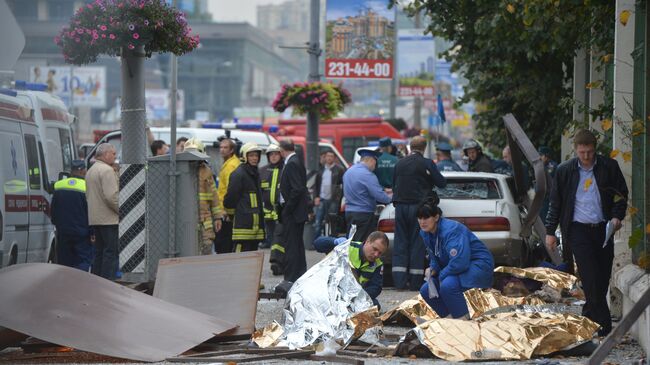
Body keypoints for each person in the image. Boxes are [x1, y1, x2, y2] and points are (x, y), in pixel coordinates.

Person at [545, 129, 628, 337]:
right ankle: (603, 325)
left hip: (603, 228)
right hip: (577, 230)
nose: (586, 157)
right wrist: (550, 231)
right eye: (582, 152)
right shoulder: (565, 171)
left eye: (589, 152)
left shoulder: (609, 167)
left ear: (595, 150)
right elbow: (556, 202)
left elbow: (621, 195)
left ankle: (588, 315)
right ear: (576, 150)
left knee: (601, 277)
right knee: (590, 276)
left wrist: (617, 217)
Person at [417, 197, 494, 318]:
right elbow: (434, 256)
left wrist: (441, 275)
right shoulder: (424, 232)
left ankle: (463, 320)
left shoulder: (451, 230)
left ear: (436, 217)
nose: (422, 222)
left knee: (447, 285)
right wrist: (433, 269)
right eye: (419, 218)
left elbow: (460, 262)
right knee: (426, 290)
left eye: (426, 217)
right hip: (455, 267)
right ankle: (450, 320)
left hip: (477, 264)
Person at [392, 136, 446, 290]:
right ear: (424, 148)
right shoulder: (427, 163)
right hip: (419, 208)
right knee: (417, 243)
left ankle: (400, 282)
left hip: (400, 207)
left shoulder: (399, 163)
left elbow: (393, 183)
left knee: (400, 243)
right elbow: (441, 183)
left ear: (410, 146)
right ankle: (415, 283)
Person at [313, 231, 388, 308]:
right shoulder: (348, 247)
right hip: (333, 292)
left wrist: (357, 297)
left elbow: (375, 288)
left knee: (375, 305)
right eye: (374, 249)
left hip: (355, 296)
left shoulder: (378, 264)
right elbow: (317, 244)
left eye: (380, 253)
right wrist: (334, 241)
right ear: (367, 242)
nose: (376, 255)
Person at [50, 160, 94, 271]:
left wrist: (57, 224)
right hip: (82, 233)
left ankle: (65, 284)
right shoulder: (87, 186)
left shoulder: (59, 185)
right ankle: (78, 284)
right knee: (82, 260)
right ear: (82, 171)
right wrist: (92, 231)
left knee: (64, 262)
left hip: (63, 231)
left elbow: (53, 208)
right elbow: (90, 211)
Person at [343, 149, 392, 243]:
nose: (375, 166)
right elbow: (379, 196)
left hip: (349, 212)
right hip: (363, 215)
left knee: (352, 241)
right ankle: (359, 258)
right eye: (375, 162)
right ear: (371, 160)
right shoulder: (368, 175)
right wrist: (392, 199)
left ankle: (352, 257)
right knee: (362, 243)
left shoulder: (349, 172)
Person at [86, 143, 119, 280]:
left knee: (99, 252)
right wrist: (122, 211)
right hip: (109, 218)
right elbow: (112, 196)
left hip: (95, 218)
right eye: (113, 153)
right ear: (105, 154)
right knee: (110, 252)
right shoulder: (106, 170)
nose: (115, 156)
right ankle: (107, 283)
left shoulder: (91, 170)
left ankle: (96, 281)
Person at [278, 140, 310, 283]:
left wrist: (288, 208)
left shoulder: (292, 163)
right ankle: (299, 274)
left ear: (281, 149)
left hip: (293, 212)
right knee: (296, 245)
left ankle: (291, 277)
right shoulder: (296, 161)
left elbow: (297, 189)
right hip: (296, 212)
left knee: (292, 246)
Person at [224, 142, 265, 252]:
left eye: (256, 155)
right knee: (240, 257)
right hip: (243, 226)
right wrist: (232, 215)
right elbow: (230, 199)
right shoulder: (239, 174)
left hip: (254, 228)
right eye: (251, 155)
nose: (254, 158)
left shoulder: (255, 173)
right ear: (244, 156)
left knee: (252, 257)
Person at [184, 138, 221, 255]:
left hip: (205, 219)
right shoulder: (179, 170)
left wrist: (218, 217)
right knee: (187, 247)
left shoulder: (207, 171)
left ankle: (205, 272)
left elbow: (214, 196)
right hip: (186, 218)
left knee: (207, 246)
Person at [215, 138, 240, 253]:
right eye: (221, 147)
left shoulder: (230, 166)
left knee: (224, 242)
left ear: (231, 150)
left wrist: (226, 210)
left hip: (226, 210)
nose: (222, 150)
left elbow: (231, 189)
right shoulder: (229, 163)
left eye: (225, 148)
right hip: (225, 208)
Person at [313, 150, 345, 240]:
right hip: (322, 199)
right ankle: (316, 240)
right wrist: (316, 197)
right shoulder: (321, 170)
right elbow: (316, 185)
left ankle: (332, 239)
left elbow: (343, 185)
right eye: (327, 156)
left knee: (332, 220)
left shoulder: (339, 169)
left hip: (333, 199)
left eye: (331, 156)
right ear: (325, 157)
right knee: (318, 221)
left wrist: (340, 198)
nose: (329, 158)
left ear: (334, 158)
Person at [259, 144, 284, 249]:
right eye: (271, 154)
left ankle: (280, 243)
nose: (273, 157)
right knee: (268, 225)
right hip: (267, 206)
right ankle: (268, 241)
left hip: (280, 206)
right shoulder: (262, 170)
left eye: (276, 154)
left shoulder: (285, 169)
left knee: (281, 227)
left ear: (280, 155)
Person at [538, 146, 558, 224]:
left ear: (546, 156)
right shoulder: (541, 166)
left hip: (549, 198)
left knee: (547, 220)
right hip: (542, 198)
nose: (539, 158)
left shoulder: (552, 166)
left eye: (541, 155)